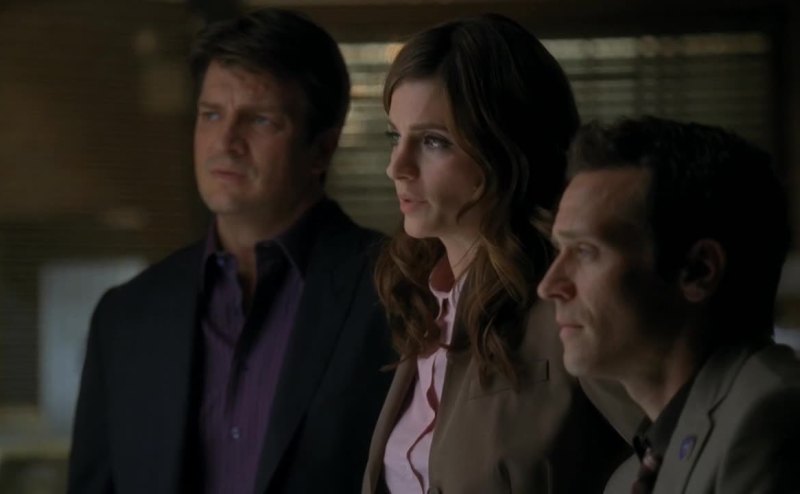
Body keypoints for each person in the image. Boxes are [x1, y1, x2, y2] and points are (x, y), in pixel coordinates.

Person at [68, 9, 394, 494]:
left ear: (322, 149)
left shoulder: (398, 292)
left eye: (260, 119)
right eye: (211, 114)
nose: (226, 141)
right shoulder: (126, 316)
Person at [362, 14, 632, 494]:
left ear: (507, 149)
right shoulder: (426, 301)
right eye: (394, 137)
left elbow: (676, 450)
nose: (396, 167)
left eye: (433, 141)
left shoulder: (569, 301)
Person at [537, 116, 800, 493]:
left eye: (585, 251)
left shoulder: (771, 420)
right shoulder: (627, 480)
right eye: (558, 251)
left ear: (698, 271)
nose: (549, 286)